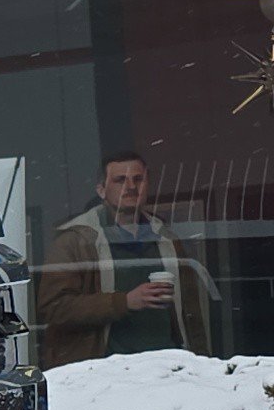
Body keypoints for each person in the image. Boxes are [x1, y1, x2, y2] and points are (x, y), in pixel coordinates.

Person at [41, 150, 218, 363]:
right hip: (105, 373)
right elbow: (54, 309)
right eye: (120, 180)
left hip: (167, 366)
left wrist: (201, 363)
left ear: (147, 185)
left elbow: (191, 314)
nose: (131, 187)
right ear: (101, 190)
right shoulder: (75, 240)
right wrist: (124, 302)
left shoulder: (166, 237)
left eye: (138, 179)